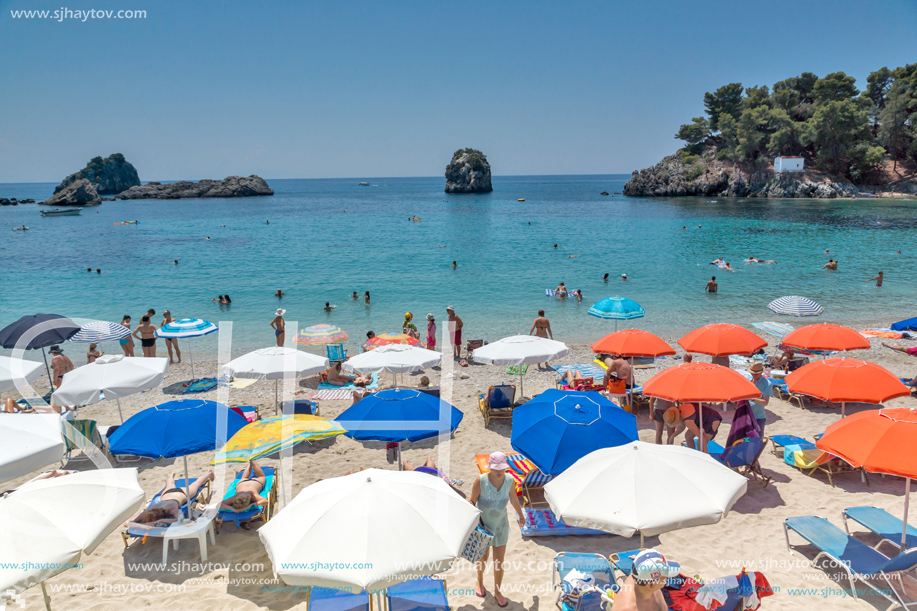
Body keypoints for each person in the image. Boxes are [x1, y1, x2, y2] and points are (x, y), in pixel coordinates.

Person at [469, 452, 525, 607]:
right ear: (490, 468)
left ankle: (498, 591)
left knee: (499, 562)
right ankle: (479, 582)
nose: (500, 471)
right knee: (483, 559)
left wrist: (521, 515)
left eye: (502, 468)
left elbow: (513, 499)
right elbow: (472, 502)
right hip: (483, 527)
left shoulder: (509, 480)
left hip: (500, 526)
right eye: (496, 469)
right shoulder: (480, 481)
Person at [126, 470, 215, 526]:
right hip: (168, 495)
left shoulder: (171, 509)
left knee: (197, 484)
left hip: (182, 494)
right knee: (170, 485)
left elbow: (180, 520)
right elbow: (127, 524)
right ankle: (171, 476)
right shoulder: (150, 510)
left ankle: (209, 473)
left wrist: (160, 521)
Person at [614, 549, 679, 611]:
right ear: (651, 585)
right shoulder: (628, 608)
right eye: (665, 577)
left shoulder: (640, 577)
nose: (668, 578)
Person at [219, 461, 269, 528]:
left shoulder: (252, 495)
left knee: (261, 476)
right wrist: (232, 508)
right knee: (249, 477)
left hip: (247, 482)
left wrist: (250, 505)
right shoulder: (237, 496)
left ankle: (251, 463)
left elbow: (265, 501)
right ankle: (252, 461)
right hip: (250, 483)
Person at [747, 362, 771, 433]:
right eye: (752, 373)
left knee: (757, 440)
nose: (753, 375)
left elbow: (765, 402)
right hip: (746, 415)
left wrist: (752, 399)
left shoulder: (767, 384)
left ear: (761, 372)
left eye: (756, 373)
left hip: (758, 417)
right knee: (745, 440)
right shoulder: (748, 379)